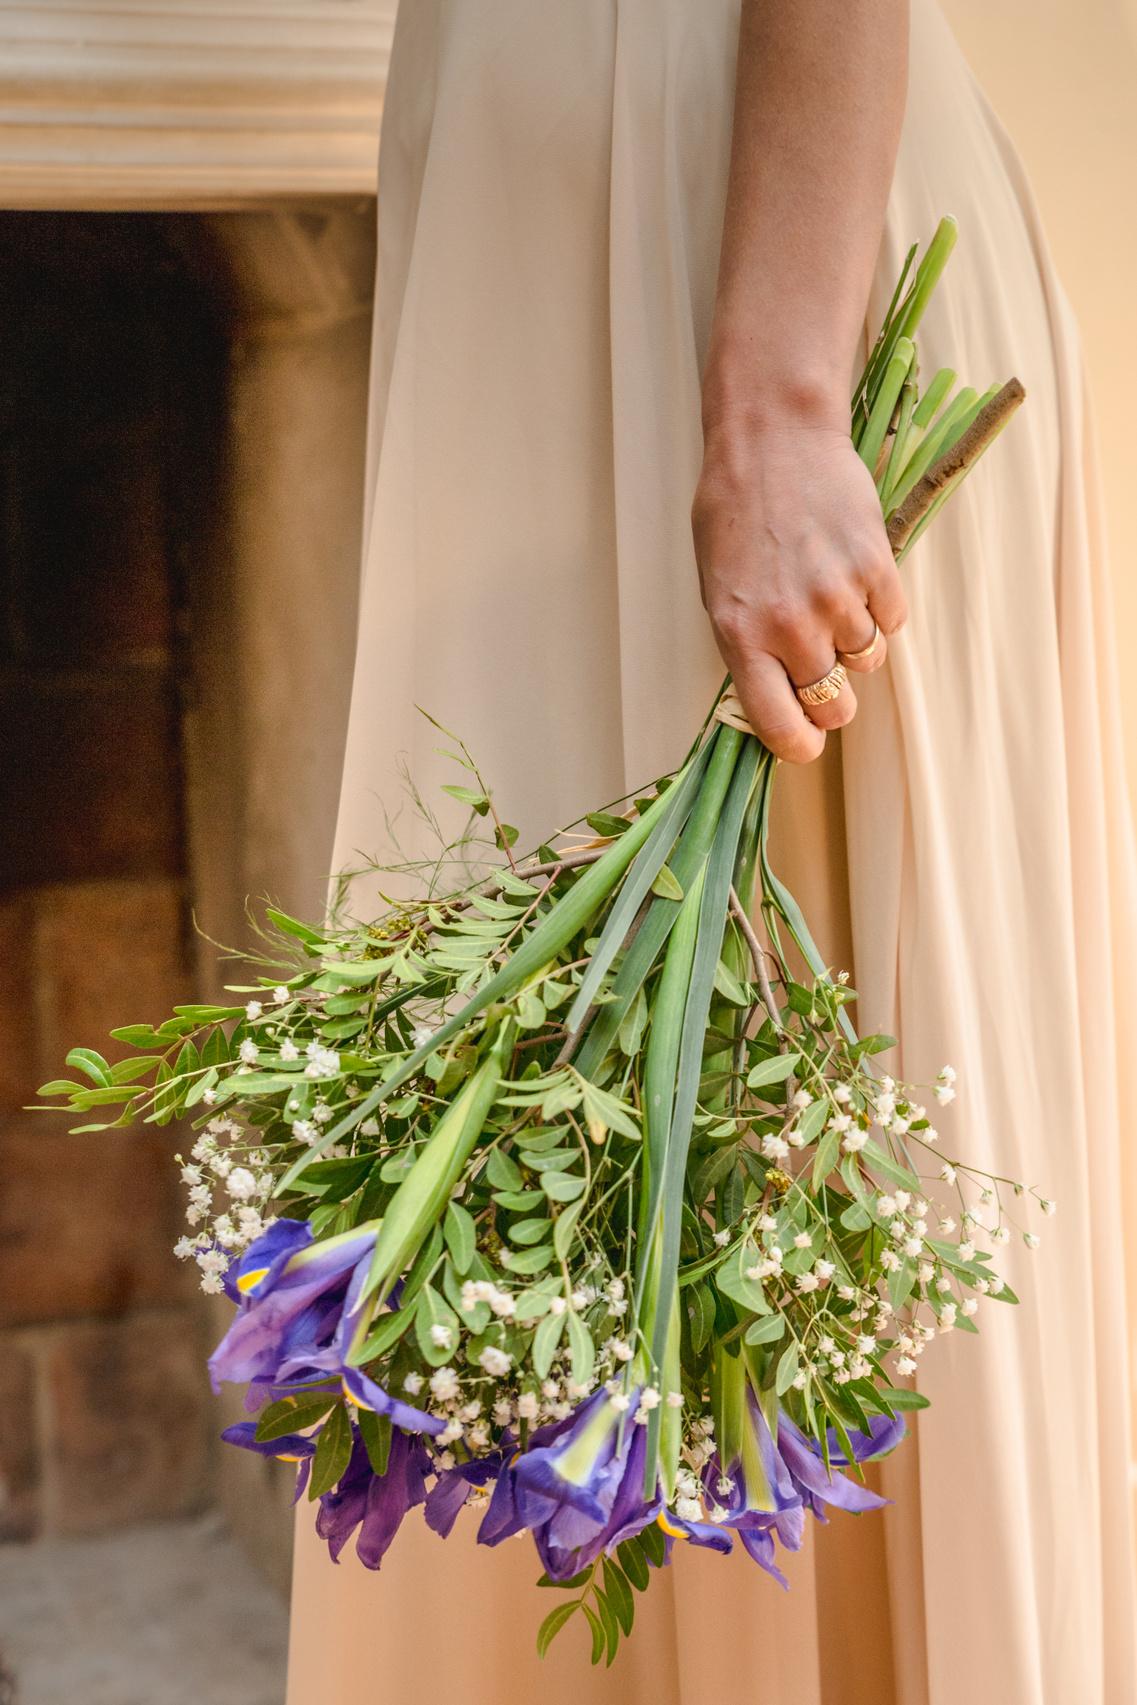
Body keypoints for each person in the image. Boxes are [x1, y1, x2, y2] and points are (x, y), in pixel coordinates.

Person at [286, 3, 1137, 1700]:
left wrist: (778, 399)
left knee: (810, 1154)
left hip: (731, 254)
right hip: (545, 272)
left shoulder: (759, 379)